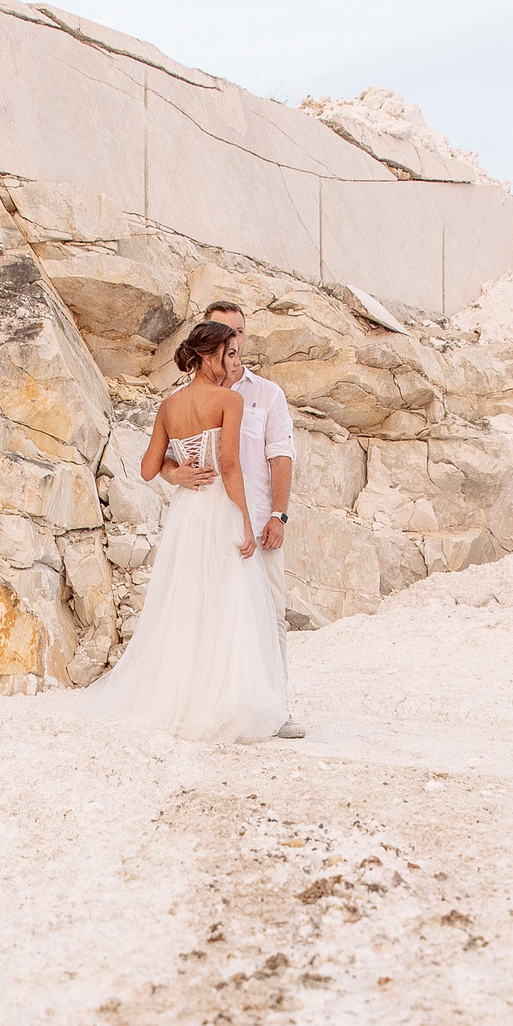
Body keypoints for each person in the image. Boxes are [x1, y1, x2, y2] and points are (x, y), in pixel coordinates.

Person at [65, 321, 289, 742]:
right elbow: (229, 467)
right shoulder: (228, 400)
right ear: (209, 357)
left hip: (187, 516)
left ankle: (179, 700)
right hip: (220, 509)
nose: (236, 362)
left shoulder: (169, 406)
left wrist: (178, 472)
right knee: (227, 604)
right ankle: (216, 702)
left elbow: (149, 469)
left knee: (187, 604)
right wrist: (244, 515)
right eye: (231, 354)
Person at [161, 301, 304, 739]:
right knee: (211, 612)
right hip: (212, 523)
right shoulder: (189, 395)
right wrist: (177, 473)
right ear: (207, 343)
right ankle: (209, 703)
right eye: (226, 333)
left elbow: (281, 456)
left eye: (240, 333)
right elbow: (166, 460)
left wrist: (277, 515)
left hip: (257, 520)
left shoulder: (267, 394)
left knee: (270, 614)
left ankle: (276, 709)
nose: (235, 341)